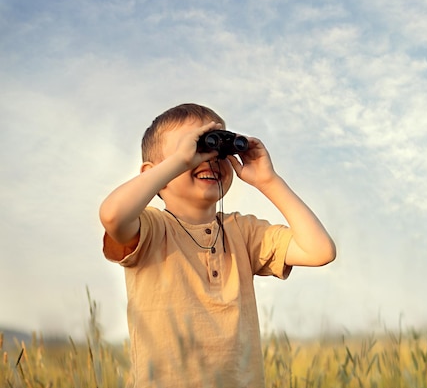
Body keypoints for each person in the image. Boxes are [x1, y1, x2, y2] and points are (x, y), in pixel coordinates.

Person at [99, 103, 336, 388]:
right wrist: (179, 162)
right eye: (195, 148)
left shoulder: (243, 232)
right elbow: (113, 215)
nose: (208, 159)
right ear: (154, 173)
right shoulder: (150, 228)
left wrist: (269, 181)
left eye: (217, 149)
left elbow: (320, 250)